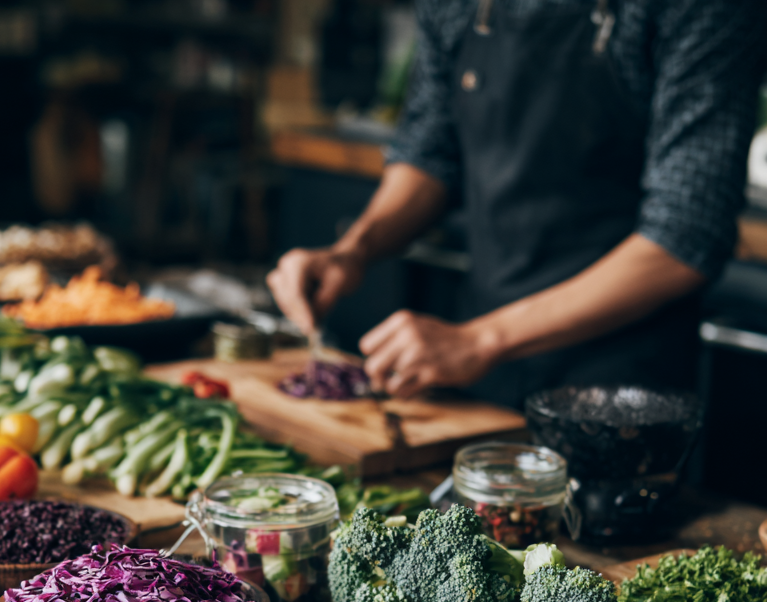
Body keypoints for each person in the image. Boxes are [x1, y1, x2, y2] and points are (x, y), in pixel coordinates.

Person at [267, 0, 767, 407]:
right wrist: (353, 249)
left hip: (622, 393)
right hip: (479, 369)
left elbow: (686, 233)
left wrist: (480, 340)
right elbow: (431, 152)